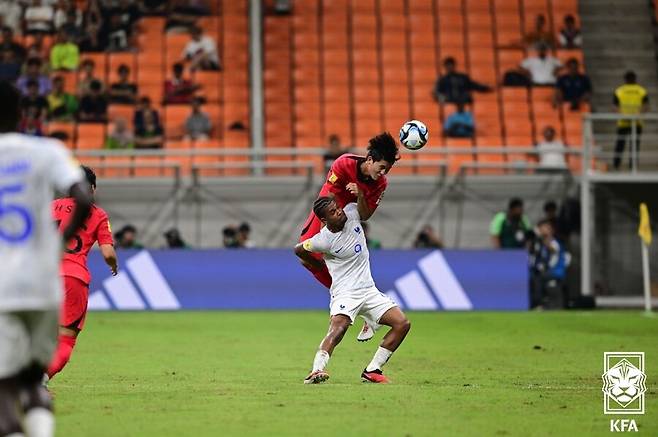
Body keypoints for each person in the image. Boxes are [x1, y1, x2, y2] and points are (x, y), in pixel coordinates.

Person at [0, 80, 91, 437]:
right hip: (42, 283)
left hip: (3, 286)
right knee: (32, 379)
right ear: (23, 114)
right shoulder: (48, 149)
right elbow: (83, 197)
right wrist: (60, 243)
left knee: (5, 389)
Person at [295, 196, 411, 384]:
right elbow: (298, 249)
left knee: (402, 324)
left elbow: (367, 208)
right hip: (345, 293)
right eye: (332, 212)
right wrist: (317, 265)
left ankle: (373, 370)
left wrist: (362, 191)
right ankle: (316, 370)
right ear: (324, 221)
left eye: (337, 207)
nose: (339, 211)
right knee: (338, 329)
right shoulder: (323, 240)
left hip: (369, 291)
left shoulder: (351, 212)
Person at [298, 132, 399, 342]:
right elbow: (328, 198)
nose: (382, 173)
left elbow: (365, 215)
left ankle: (355, 304)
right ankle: (357, 305)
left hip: (351, 217)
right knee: (305, 258)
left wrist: (361, 192)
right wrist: (329, 227)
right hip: (329, 212)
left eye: (387, 170)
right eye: (381, 167)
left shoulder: (380, 184)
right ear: (369, 160)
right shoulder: (344, 163)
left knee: (316, 259)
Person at [48, 165, 118, 381]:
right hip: (73, 277)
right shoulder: (98, 214)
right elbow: (107, 253)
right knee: (66, 339)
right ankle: (37, 382)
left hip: (43, 275)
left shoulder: (51, 206)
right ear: (93, 189)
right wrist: (113, 264)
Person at [528, 219, 570, 309]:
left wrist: (544, 236)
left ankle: (538, 304)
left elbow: (551, 248)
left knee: (538, 278)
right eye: (541, 228)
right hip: (547, 272)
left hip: (556, 272)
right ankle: (537, 303)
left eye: (546, 228)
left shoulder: (554, 243)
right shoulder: (538, 243)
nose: (543, 230)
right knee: (532, 276)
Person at [613, 70, 649, 170]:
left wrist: (623, 115)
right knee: (626, 145)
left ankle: (621, 165)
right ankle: (629, 166)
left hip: (629, 121)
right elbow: (646, 106)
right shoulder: (641, 90)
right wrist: (637, 114)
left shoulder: (619, 90)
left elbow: (614, 107)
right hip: (632, 121)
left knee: (626, 145)